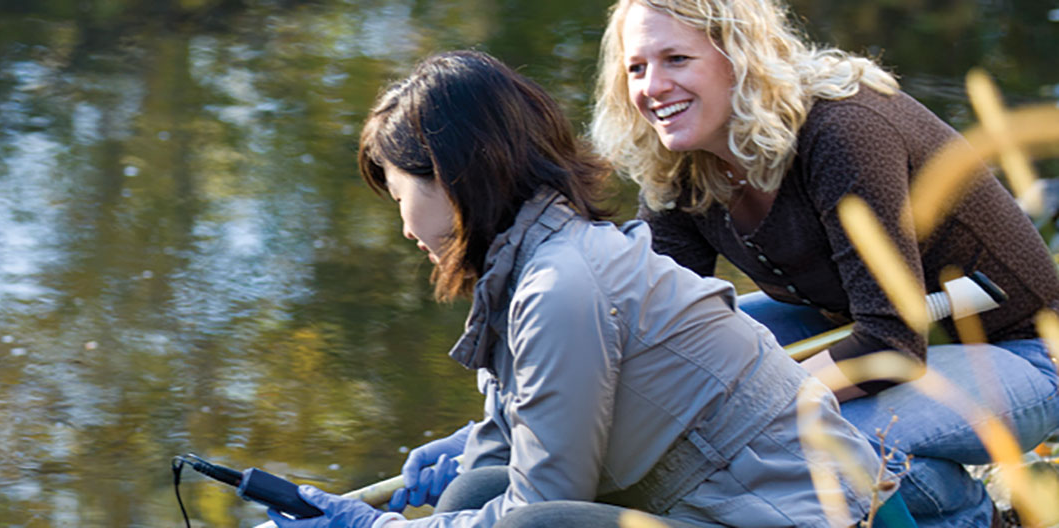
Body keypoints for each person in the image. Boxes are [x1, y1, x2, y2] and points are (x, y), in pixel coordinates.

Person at [266, 50, 899, 528]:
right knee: (473, 488)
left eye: (401, 195)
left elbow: (544, 500)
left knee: (539, 524)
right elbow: (515, 448)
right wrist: (459, 455)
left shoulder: (559, 287)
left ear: (455, 180)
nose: (405, 226)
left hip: (801, 517)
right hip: (722, 501)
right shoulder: (537, 264)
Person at [588, 0, 1059, 526]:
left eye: (676, 59)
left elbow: (891, 344)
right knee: (706, 345)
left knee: (804, 446)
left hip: (1022, 352)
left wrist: (751, 401)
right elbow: (664, 329)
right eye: (636, 67)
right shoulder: (679, 161)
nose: (652, 86)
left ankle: (977, 518)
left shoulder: (843, 130)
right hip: (859, 321)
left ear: (740, 56)